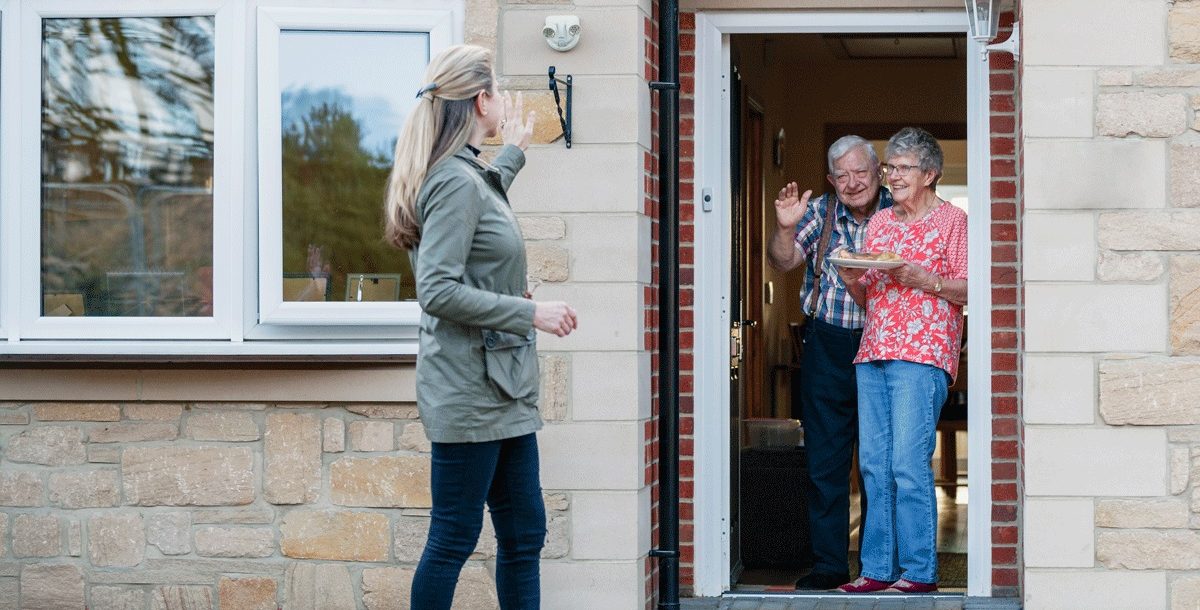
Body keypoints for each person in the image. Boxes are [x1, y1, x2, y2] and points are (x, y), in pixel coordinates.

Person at [384, 44, 579, 610]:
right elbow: (438, 290)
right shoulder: (451, 180)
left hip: (504, 387)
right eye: (497, 88)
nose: (502, 99)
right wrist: (529, 312)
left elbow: (480, 211)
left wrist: (514, 152)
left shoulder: (467, 174)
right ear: (480, 99)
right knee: (453, 539)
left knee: (524, 535)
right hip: (469, 392)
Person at [834, 127, 967, 594]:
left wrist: (923, 279)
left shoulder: (953, 222)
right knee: (873, 463)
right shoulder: (881, 224)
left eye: (902, 167)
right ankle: (876, 569)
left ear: (929, 173)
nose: (891, 176)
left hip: (923, 352)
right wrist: (851, 275)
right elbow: (870, 295)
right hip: (874, 351)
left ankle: (918, 571)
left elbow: (970, 287)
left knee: (908, 464)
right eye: (889, 167)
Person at [766, 135, 893, 590]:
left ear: (878, 172)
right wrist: (784, 227)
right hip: (828, 345)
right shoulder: (818, 212)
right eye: (842, 175)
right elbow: (782, 263)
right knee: (825, 461)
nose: (853, 183)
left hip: (887, 345)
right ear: (830, 179)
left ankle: (882, 567)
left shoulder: (900, 211)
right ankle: (829, 566)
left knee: (883, 462)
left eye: (861, 172)